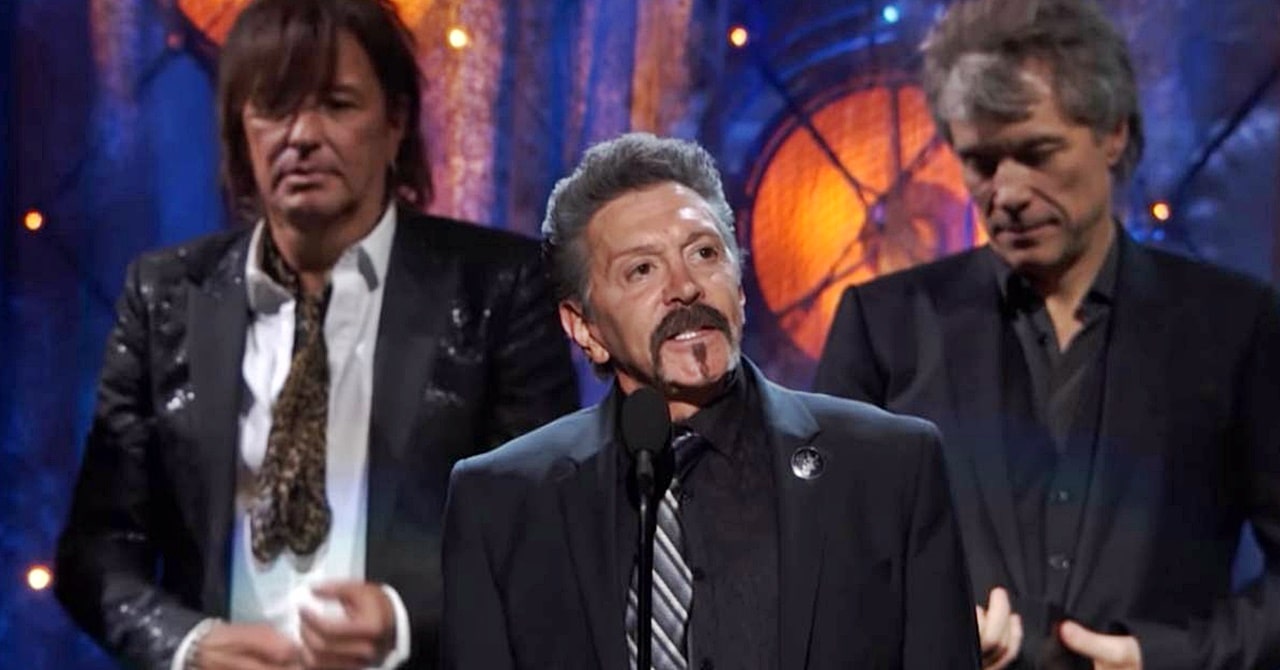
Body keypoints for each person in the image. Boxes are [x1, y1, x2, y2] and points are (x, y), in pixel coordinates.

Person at [53, 1, 578, 668]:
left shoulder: (498, 290)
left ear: (395, 123)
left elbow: (545, 536)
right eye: (274, 107)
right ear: (240, 129)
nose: (301, 135)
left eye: (336, 104)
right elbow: (97, 550)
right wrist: (188, 645)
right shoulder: (163, 298)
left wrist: (403, 621)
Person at [814, 0, 1280, 668]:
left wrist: (1169, 657)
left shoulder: (1234, 326)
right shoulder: (884, 326)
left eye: (1036, 154)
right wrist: (929, 633)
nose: (1006, 193)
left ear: (1113, 133)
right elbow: (824, 560)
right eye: (980, 162)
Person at [441, 132, 980, 669]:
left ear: (739, 286)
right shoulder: (502, 502)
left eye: (704, 253)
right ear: (584, 327)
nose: (685, 287)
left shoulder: (889, 467)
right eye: (642, 269)